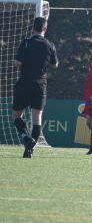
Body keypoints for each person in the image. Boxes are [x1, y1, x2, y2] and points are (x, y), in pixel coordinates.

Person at [12, 17, 58, 158]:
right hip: (40, 83)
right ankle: (31, 148)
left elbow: (18, 62)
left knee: (16, 115)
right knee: (37, 116)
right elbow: (55, 64)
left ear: (33, 27)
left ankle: (27, 138)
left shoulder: (26, 42)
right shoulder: (50, 44)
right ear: (45, 29)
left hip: (25, 81)